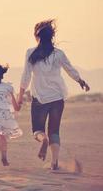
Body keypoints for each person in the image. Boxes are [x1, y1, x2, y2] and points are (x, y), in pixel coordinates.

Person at [18, 19, 90, 170]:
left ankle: (42, 140)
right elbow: (70, 69)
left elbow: (26, 75)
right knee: (54, 130)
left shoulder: (31, 53)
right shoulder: (58, 54)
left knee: (38, 130)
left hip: (40, 98)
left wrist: (20, 95)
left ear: (36, 36)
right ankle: (54, 162)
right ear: (52, 36)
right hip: (57, 97)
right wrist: (80, 80)